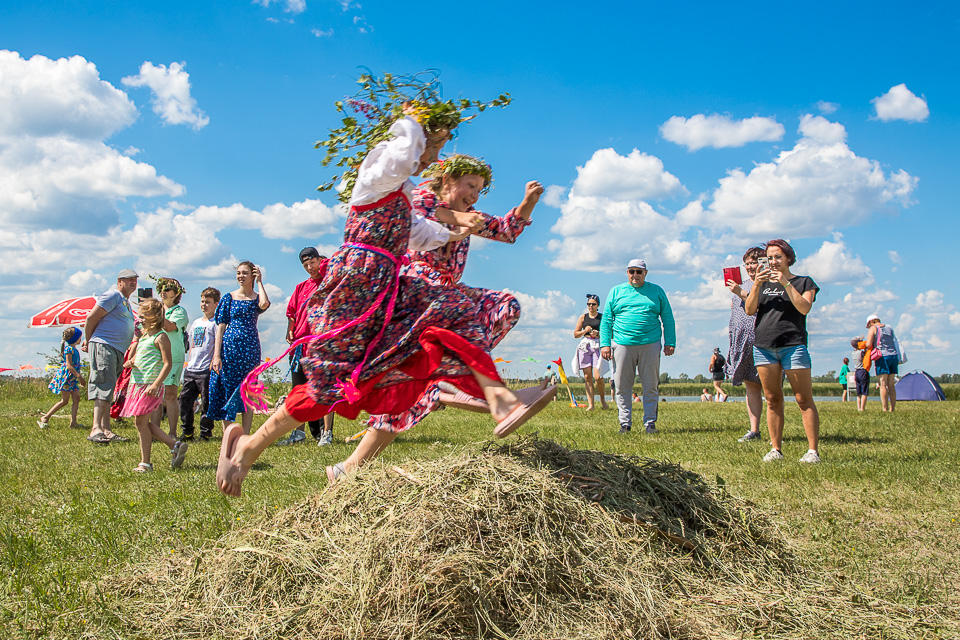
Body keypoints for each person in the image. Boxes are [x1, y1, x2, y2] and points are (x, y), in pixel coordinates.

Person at [217, 105, 554, 497]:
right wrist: (417, 122)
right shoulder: (384, 176)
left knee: (457, 320)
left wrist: (479, 220)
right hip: (354, 291)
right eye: (433, 147)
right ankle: (249, 446)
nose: (432, 157)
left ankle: (471, 386)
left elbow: (430, 232)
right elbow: (408, 163)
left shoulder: (406, 198)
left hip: (389, 294)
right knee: (330, 386)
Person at [367, 156, 544, 432]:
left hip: (449, 293)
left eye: (479, 190)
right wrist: (460, 219)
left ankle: (458, 374)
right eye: (470, 186)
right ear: (448, 181)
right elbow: (423, 210)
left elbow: (504, 230)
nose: (474, 195)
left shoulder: (470, 214)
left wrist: (528, 202)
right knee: (454, 312)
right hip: (417, 290)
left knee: (504, 306)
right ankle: (455, 379)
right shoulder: (423, 199)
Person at [745, 239, 821, 464]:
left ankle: (812, 451)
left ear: (789, 258)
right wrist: (756, 285)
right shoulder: (762, 284)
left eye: (778, 256)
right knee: (772, 398)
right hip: (764, 347)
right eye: (769, 257)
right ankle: (775, 449)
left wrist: (785, 283)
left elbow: (804, 308)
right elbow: (749, 310)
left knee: (803, 399)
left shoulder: (804, 282)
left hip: (793, 345)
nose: (773, 261)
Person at [600, 259, 676, 434]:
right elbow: (607, 320)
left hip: (650, 343)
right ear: (627, 273)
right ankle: (625, 424)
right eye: (631, 271)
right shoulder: (616, 291)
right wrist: (605, 344)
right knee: (621, 386)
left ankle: (650, 423)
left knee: (650, 385)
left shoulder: (656, 291)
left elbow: (667, 317)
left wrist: (670, 342)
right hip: (622, 344)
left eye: (639, 272)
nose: (635, 275)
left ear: (645, 273)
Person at [119, 299, 188, 473]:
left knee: (141, 423)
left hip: (150, 386)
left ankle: (146, 463)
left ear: (155, 317)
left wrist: (157, 384)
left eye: (143, 316)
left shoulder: (161, 337)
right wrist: (132, 361)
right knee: (140, 423)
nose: (140, 320)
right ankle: (174, 445)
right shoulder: (144, 337)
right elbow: (143, 356)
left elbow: (167, 363)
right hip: (138, 384)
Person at [278, 248, 335, 446]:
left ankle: (326, 433)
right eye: (305, 265)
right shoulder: (301, 287)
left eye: (313, 263)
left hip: (321, 344)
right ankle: (298, 433)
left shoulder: (330, 283)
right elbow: (291, 312)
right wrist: (290, 330)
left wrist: (324, 265)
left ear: (320, 260)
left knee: (325, 389)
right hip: (300, 346)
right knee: (299, 390)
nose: (310, 268)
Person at [208, 261, 271, 435]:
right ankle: (228, 437)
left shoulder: (256, 298)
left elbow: (264, 304)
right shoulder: (228, 298)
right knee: (228, 389)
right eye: (238, 273)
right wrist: (216, 355)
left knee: (248, 391)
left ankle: (245, 436)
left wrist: (260, 282)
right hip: (229, 349)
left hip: (250, 349)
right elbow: (220, 328)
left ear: (252, 275)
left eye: (244, 273)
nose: (240, 276)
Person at [82, 268, 138, 444]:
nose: (133, 283)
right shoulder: (113, 295)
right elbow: (91, 318)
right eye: (129, 280)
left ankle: (106, 430)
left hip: (116, 349)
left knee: (109, 388)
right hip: (105, 345)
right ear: (119, 281)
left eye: (135, 280)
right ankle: (96, 428)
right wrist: (89, 341)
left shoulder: (125, 302)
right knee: (103, 386)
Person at [725, 247, 764, 442]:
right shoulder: (742, 284)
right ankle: (754, 430)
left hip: (762, 341)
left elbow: (758, 307)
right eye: (747, 263)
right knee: (751, 386)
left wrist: (740, 292)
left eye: (753, 263)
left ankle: (776, 432)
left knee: (770, 388)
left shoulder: (767, 284)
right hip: (743, 342)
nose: (749, 267)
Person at [178, 287, 220, 441]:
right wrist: (189, 362)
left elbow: (218, 344)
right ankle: (187, 431)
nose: (204, 305)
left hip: (206, 369)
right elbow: (192, 344)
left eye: (208, 302)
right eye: (202, 301)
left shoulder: (216, 323)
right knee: (185, 400)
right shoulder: (196, 323)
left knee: (206, 402)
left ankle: (205, 432)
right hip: (192, 368)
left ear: (216, 304)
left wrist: (213, 361)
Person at [156, 277, 189, 439]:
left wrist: (155, 314)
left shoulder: (179, 311)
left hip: (173, 356)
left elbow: (169, 327)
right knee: (155, 393)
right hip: (156, 356)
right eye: (161, 289)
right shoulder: (157, 308)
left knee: (170, 394)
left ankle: (172, 432)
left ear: (176, 294)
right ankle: (155, 431)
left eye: (167, 289)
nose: (163, 292)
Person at [39, 327, 86, 429]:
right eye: (79, 337)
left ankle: (73, 422)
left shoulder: (74, 350)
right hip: (67, 378)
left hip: (72, 378)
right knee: (65, 400)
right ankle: (46, 417)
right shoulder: (69, 349)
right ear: (75, 338)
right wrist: (79, 377)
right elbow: (69, 366)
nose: (80, 339)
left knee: (76, 398)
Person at [572, 294, 610, 411]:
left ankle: (603, 400)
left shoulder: (602, 318)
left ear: (598, 305)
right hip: (585, 346)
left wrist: (598, 334)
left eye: (593, 304)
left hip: (597, 345)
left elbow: (609, 333)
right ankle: (591, 405)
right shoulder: (583, 317)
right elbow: (575, 334)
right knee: (587, 376)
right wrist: (584, 331)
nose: (590, 306)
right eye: (589, 304)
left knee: (598, 376)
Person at [866, 314, 899, 412]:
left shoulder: (873, 328)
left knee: (882, 384)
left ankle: (885, 408)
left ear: (871, 322)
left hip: (882, 357)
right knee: (891, 385)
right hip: (893, 356)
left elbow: (868, 344)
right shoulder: (889, 327)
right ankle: (892, 408)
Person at [850, 336, 871, 411]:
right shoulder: (861, 353)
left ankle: (859, 408)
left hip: (857, 372)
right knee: (864, 391)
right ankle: (863, 408)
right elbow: (866, 356)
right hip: (863, 371)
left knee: (858, 392)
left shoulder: (853, 353)